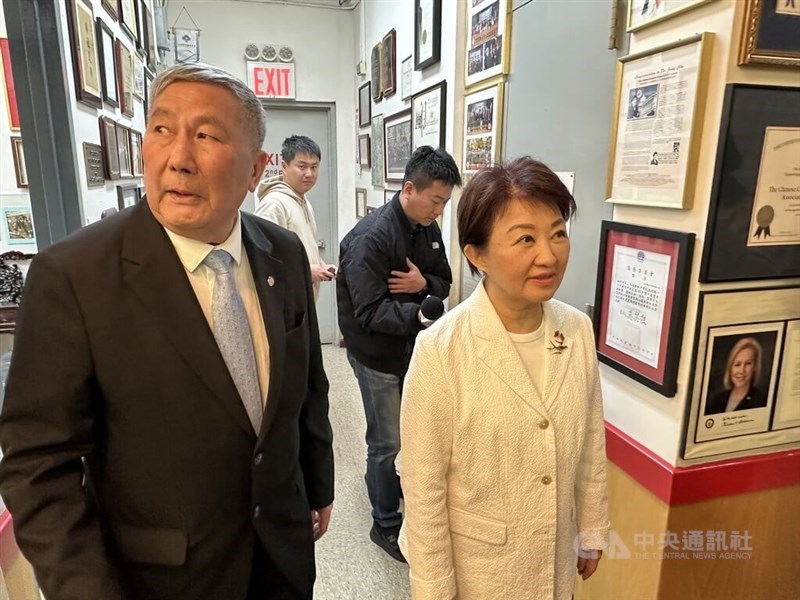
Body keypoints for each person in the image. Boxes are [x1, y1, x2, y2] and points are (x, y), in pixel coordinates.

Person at [0, 63, 334, 600]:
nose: (178, 158)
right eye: (161, 130)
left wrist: (317, 485)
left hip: (281, 556)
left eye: (205, 135)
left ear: (256, 169)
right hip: (160, 578)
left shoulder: (283, 252)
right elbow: (38, 464)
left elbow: (307, 386)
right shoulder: (76, 275)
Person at [399, 157, 609, 599]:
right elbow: (424, 489)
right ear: (477, 254)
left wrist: (591, 527)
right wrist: (434, 590)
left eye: (558, 234)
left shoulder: (576, 330)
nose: (548, 256)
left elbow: (589, 437)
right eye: (525, 240)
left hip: (553, 560)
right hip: (481, 572)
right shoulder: (441, 350)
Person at [337, 146, 461, 562]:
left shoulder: (428, 229)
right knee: (386, 442)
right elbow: (369, 312)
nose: (440, 211)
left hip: (416, 353)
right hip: (377, 357)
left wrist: (421, 282)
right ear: (410, 189)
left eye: (445, 202)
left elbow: (444, 282)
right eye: (436, 201)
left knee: (415, 435)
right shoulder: (368, 240)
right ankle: (385, 523)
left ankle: (401, 501)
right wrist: (422, 315)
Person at [256, 135, 336, 300]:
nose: (309, 174)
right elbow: (262, 262)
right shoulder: (274, 205)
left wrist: (320, 265)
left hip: (303, 300)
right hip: (283, 304)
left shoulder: (303, 200)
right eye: (302, 166)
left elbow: (302, 249)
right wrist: (307, 271)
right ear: (284, 166)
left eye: (314, 167)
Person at [705, 337, 767, 415]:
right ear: (730, 367)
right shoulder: (717, 400)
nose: (741, 371)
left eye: (748, 363)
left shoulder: (762, 400)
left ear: (755, 367)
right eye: (737, 364)